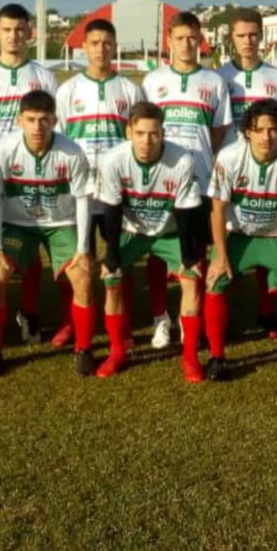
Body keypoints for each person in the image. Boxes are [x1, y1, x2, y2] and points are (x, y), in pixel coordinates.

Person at [202, 99, 277, 385]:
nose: (267, 136)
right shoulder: (230, 157)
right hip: (240, 235)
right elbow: (217, 209)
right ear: (248, 132)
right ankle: (217, 356)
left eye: (273, 129)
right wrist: (219, 255)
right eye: (259, 130)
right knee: (214, 281)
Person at [0, 90, 95, 376]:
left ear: (55, 120)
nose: (37, 127)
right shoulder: (5, 149)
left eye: (44, 120)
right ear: (19, 119)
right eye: (31, 120)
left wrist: (83, 249)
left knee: (81, 276)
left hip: (60, 224)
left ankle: (83, 348)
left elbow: (83, 199)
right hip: (18, 224)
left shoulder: (71, 151)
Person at [0, 3, 58, 344]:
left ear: (30, 34)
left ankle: (29, 314)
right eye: (6, 30)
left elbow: (47, 125)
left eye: (19, 30)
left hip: (32, 177)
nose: (13, 36)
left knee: (30, 248)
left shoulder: (44, 77)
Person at [140, 11, 230, 350]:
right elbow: (143, 128)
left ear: (200, 39)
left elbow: (218, 130)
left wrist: (201, 159)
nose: (187, 44)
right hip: (160, 181)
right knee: (158, 251)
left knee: (196, 250)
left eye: (192, 37)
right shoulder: (152, 82)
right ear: (169, 41)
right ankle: (160, 318)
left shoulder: (214, 82)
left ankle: (190, 315)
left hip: (199, 179)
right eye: (180, 38)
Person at [55, 18, 144, 348]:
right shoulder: (67, 91)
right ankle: (73, 321)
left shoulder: (130, 90)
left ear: (114, 46)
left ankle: (123, 323)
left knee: (118, 257)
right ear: (84, 47)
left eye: (107, 43)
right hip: (78, 189)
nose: (101, 49)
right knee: (77, 260)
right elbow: (60, 140)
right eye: (95, 43)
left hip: (116, 190)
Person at [97, 102, 203, 380]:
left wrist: (188, 255)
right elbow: (112, 209)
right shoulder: (112, 160)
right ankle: (117, 351)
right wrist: (111, 255)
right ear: (129, 131)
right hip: (132, 231)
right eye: (141, 133)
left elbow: (185, 212)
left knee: (192, 277)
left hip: (169, 231)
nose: (147, 140)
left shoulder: (182, 160)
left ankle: (190, 357)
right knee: (112, 278)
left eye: (154, 133)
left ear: (163, 132)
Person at [217, 7, 277, 338]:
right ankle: (223, 316)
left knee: (266, 235)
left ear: (262, 36)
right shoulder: (219, 77)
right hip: (229, 169)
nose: (248, 41)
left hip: (268, 167)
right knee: (229, 239)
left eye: (253, 34)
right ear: (231, 38)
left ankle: (267, 311)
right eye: (241, 35)